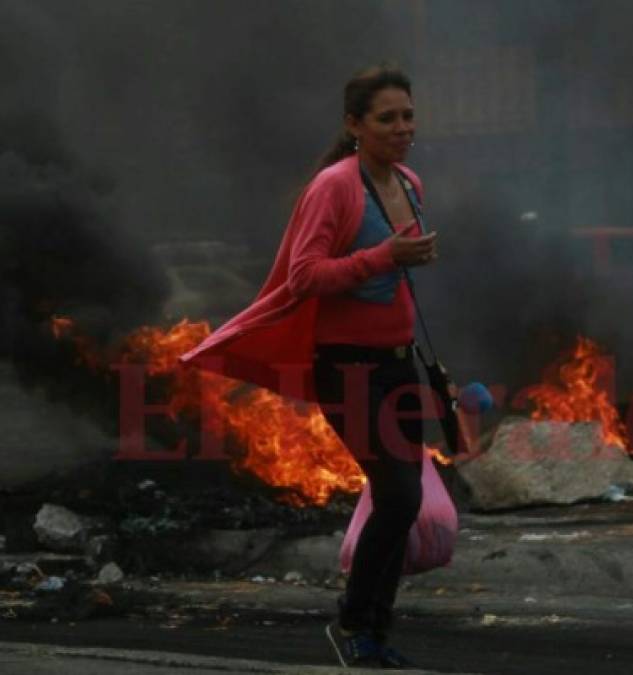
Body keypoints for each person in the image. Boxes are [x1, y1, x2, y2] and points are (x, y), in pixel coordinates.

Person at [179, 63, 437, 668]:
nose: (402, 128)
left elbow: (392, 271)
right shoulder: (335, 187)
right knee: (398, 495)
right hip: (348, 369)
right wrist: (384, 256)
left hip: (401, 366)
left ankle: (374, 632)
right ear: (354, 125)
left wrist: (407, 261)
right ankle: (353, 622)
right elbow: (305, 275)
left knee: (402, 498)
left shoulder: (410, 183)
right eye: (387, 118)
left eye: (408, 116)